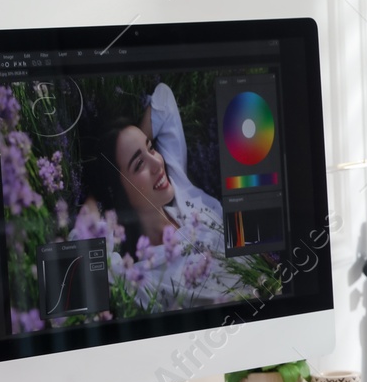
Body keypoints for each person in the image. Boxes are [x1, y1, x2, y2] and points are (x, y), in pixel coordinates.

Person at [76, 85, 243, 310]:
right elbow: (80, 263)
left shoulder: (181, 189)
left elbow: (164, 100)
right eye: (139, 164)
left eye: (151, 148)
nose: (158, 163)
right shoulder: (146, 279)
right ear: (119, 192)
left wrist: (132, 139)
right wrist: (98, 191)